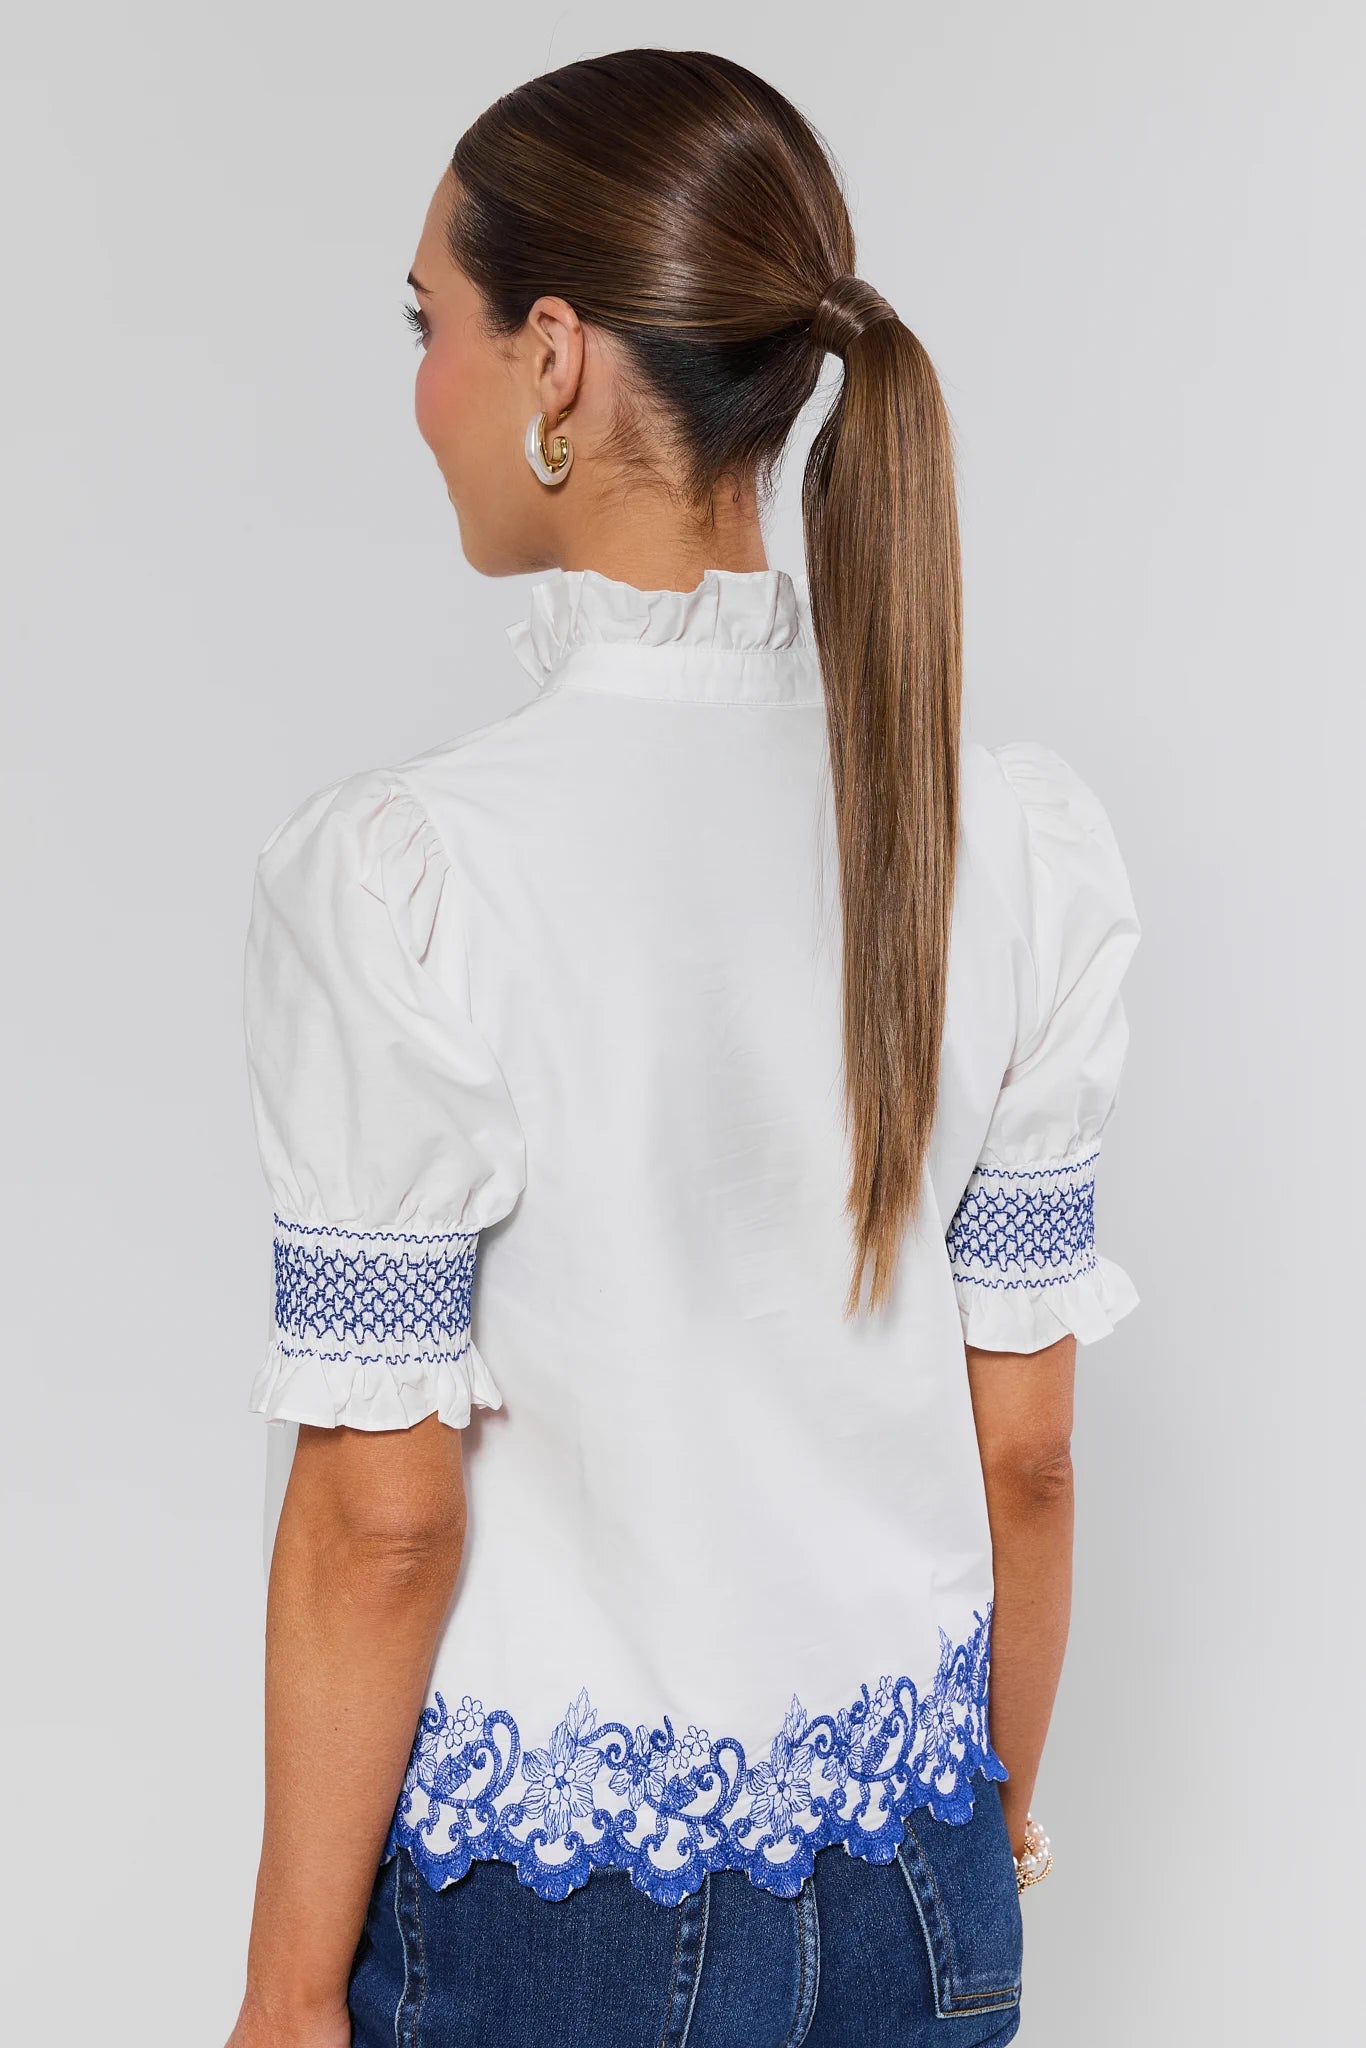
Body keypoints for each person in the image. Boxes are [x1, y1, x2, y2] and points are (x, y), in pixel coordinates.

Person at [226, 47, 1139, 2048]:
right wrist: (985, 1827)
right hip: (921, 1878)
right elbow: (1031, 1462)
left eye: (430, 325)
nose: (420, 393)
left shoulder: (412, 877)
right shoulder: (1013, 844)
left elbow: (382, 1514)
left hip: (558, 1933)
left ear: (551, 359)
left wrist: (287, 1999)